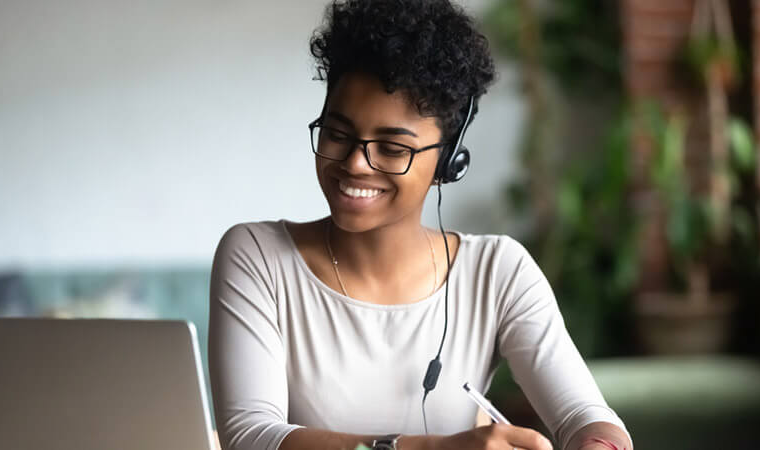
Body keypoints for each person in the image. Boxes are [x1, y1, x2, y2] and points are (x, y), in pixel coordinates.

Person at [208, 1, 633, 449]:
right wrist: (433, 448)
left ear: (448, 162)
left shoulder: (497, 272)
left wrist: (597, 441)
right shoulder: (257, 256)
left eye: (392, 148)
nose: (355, 163)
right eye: (338, 134)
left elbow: (588, 417)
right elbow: (252, 438)